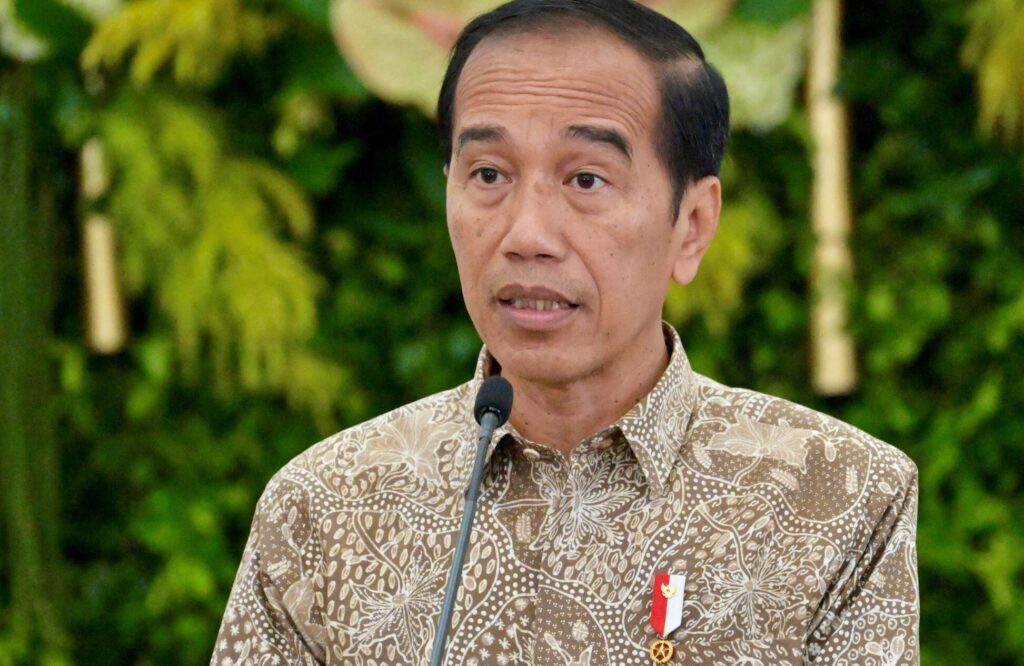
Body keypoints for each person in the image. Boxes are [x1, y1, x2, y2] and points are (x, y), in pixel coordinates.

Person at [210, 1, 919, 664]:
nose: (528, 235)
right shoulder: (326, 508)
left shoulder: (837, 498)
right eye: (489, 173)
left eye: (586, 180)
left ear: (692, 226)